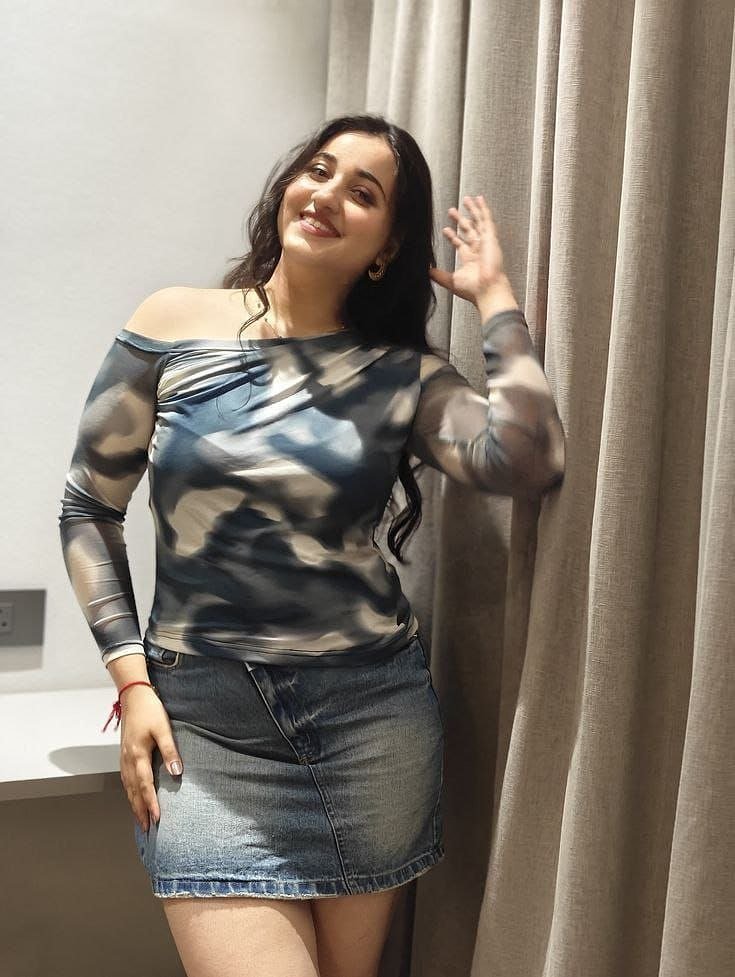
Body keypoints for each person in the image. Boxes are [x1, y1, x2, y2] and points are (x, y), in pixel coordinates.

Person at [58, 113, 565, 977]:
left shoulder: (401, 374)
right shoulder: (172, 322)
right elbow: (87, 507)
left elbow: (527, 459)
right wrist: (132, 682)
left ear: (386, 246)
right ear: (288, 186)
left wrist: (494, 299)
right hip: (204, 726)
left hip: (371, 722)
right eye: (318, 171)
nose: (326, 195)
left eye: (361, 192)